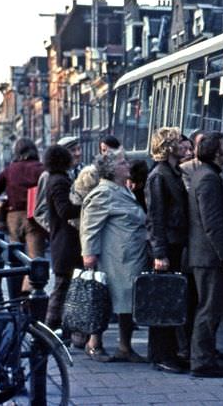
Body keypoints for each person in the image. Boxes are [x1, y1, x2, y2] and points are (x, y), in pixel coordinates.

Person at [79, 150, 148, 363]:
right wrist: (88, 254)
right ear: (111, 170)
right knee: (104, 299)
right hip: (114, 257)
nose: (127, 164)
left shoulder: (122, 189)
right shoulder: (103, 192)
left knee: (127, 301)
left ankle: (125, 347)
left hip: (128, 255)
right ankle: (94, 343)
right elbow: (89, 225)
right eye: (122, 162)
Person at [188, 132, 223, 378]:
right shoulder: (208, 178)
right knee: (209, 309)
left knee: (209, 308)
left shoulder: (206, 175)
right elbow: (212, 222)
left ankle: (205, 356)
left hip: (206, 255)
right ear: (216, 152)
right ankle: (201, 361)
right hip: (208, 257)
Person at [146, 127, 190, 373]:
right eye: (175, 141)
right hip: (168, 245)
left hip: (175, 242)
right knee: (164, 300)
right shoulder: (159, 176)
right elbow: (156, 217)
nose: (181, 144)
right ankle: (161, 354)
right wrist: (159, 253)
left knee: (171, 299)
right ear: (167, 146)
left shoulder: (171, 172)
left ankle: (168, 352)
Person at [42, 144, 83, 337]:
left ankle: (58, 328)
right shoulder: (59, 181)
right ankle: (49, 328)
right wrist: (86, 206)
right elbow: (64, 210)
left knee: (63, 286)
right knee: (61, 287)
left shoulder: (55, 179)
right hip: (66, 242)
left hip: (62, 242)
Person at [0, 138, 45, 260]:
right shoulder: (41, 168)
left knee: (16, 257)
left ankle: (17, 278)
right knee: (35, 259)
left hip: (13, 215)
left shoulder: (10, 169)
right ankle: (31, 279)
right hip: (34, 216)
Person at [34, 136, 81, 234]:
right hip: (64, 236)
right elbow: (40, 211)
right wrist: (56, 229)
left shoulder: (84, 171)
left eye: (79, 149)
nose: (78, 153)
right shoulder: (47, 176)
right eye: (73, 150)